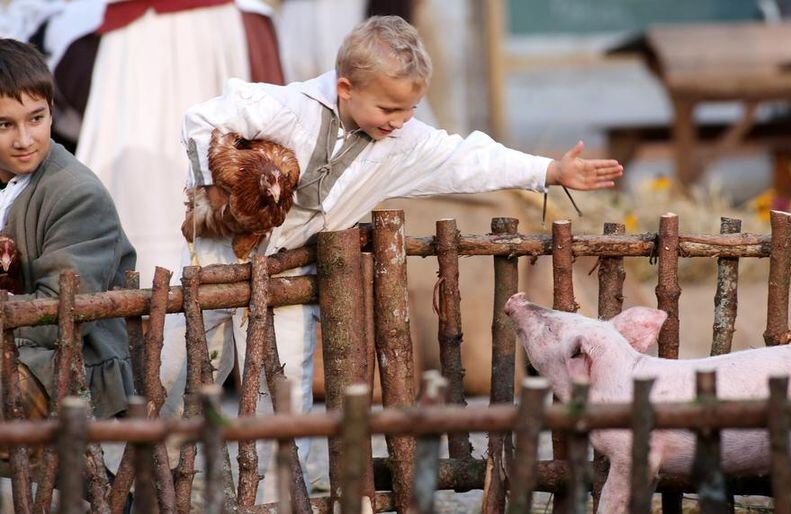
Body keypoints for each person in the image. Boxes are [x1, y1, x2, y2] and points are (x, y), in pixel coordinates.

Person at [161, 15, 622, 501]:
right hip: (216, 261)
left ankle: (277, 498)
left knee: (284, 388)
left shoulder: (403, 143)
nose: (399, 119)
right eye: (388, 107)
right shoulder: (284, 108)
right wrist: (238, 177)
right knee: (179, 366)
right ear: (345, 87)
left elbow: (466, 158)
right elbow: (202, 119)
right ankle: (159, 477)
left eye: (410, 108)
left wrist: (548, 169)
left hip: (291, 272)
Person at [0, 38, 135, 422]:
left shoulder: (78, 195)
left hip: (72, 367)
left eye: (36, 118)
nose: (24, 140)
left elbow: (55, 315)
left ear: (52, 111)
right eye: (4, 124)